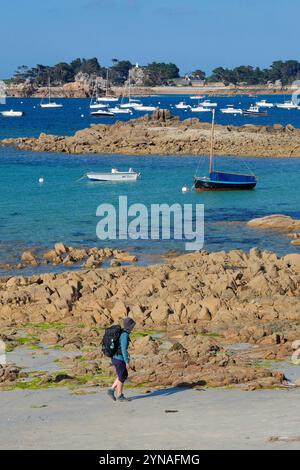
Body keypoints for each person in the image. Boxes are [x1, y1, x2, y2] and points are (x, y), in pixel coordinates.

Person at [107, 317, 136, 402]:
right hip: (119, 359)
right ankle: (119, 395)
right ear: (129, 326)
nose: (133, 328)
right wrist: (127, 362)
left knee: (122, 375)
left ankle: (111, 390)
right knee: (122, 377)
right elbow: (123, 349)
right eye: (132, 326)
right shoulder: (125, 335)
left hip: (115, 358)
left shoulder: (122, 333)